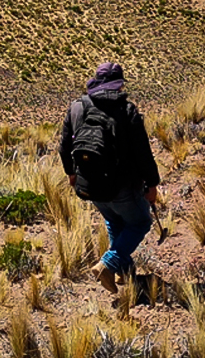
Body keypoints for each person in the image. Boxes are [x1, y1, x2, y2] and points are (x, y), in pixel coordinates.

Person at [59, 62, 160, 294]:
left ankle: (122, 272)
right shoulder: (127, 111)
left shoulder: (76, 108)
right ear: (119, 84)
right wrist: (152, 184)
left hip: (88, 185)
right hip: (121, 186)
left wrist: (72, 174)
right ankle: (109, 263)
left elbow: (65, 147)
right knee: (140, 222)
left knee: (115, 222)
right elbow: (143, 153)